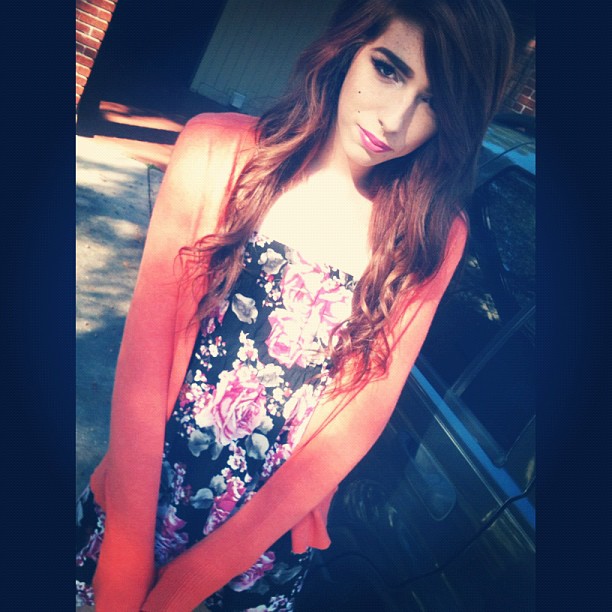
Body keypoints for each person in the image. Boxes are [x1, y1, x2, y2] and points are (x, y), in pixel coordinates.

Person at [76, 0, 514, 610]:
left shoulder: (430, 237)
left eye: (434, 102)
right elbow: (143, 369)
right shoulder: (217, 151)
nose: (394, 120)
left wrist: (190, 583)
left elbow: (353, 425)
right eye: (388, 69)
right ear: (351, 47)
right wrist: (125, 568)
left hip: (257, 561)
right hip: (131, 514)